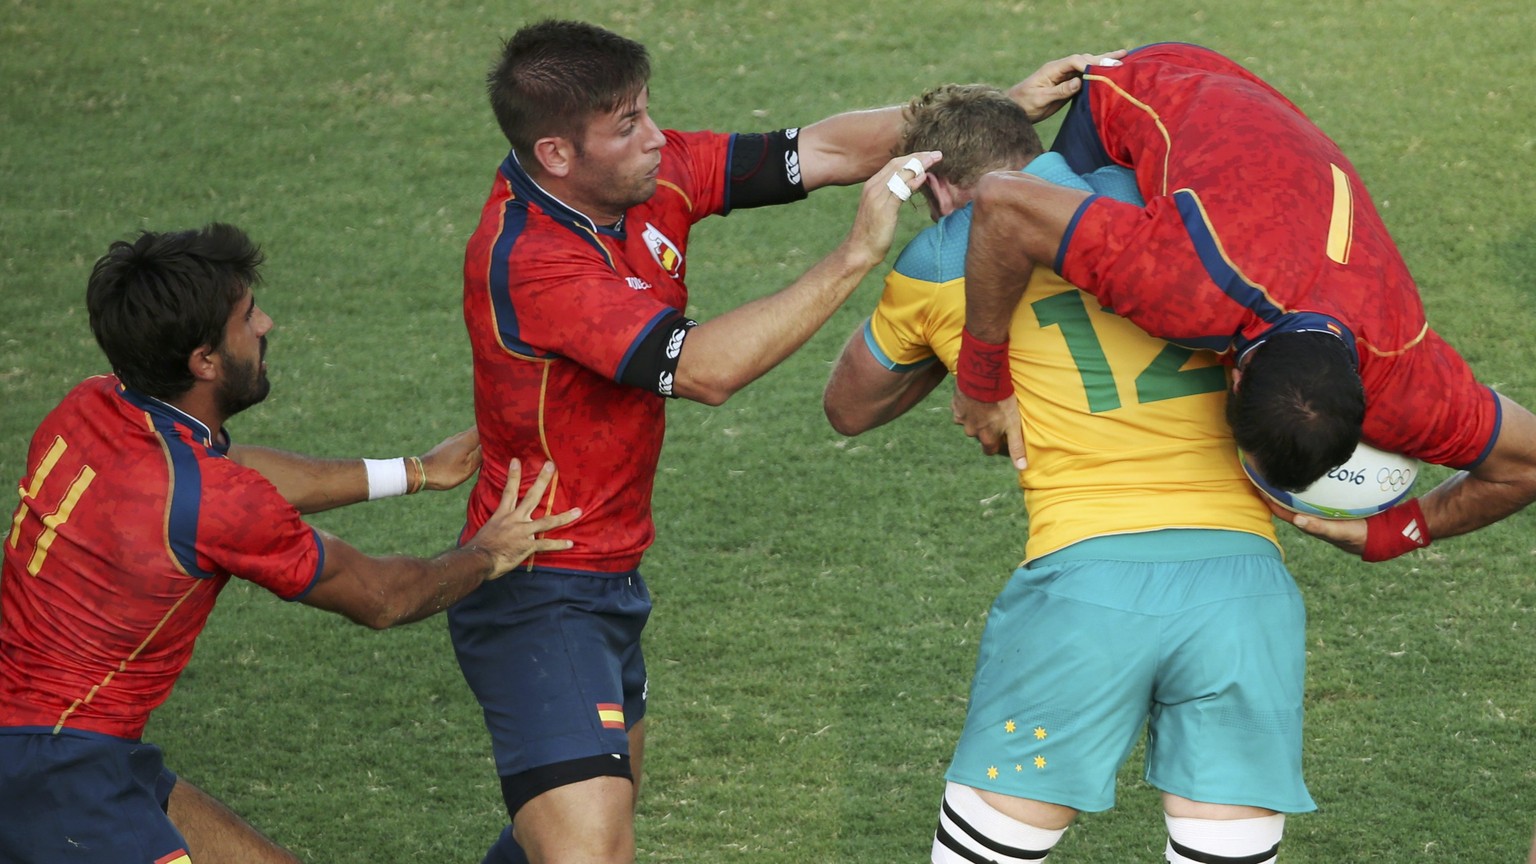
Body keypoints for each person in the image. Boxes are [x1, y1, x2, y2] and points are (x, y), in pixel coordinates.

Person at [453, 18, 1123, 864]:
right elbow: (703, 369)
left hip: (606, 579)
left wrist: (994, 109)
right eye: (628, 126)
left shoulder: (637, 178)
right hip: (536, 585)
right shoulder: (532, 259)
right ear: (556, 154)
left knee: (563, 838)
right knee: (589, 851)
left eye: (648, 112)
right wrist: (853, 258)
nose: (659, 139)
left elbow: (811, 151)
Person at [823, 82, 1312, 864]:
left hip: (1088, 590)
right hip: (1245, 590)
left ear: (935, 184)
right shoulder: (1152, 203)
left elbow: (850, 406)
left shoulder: (940, 257)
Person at [0, 223, 581, 864]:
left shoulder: (90, 406)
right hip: (57, 776)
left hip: (58, 743)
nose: (267, 323)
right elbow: (380, 597)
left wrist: (415, 470)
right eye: (248, 317)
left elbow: (229, 468)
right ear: (205, 362)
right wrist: (485, 554)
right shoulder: (213, 501)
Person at [948, 42, 1536, 564]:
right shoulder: (1189, 286)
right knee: (957, 236)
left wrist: (1394, 533)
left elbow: (1527, 463)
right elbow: (1004, 204)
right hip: (1145, 86)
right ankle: (922, 140)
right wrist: (981, 382)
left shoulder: (1410, 385)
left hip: (1252, 113)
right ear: (1237, 376)